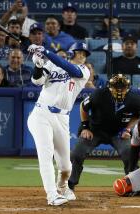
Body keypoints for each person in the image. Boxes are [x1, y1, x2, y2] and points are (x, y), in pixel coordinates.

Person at [27, 42, 91, 206]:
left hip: (62, 118)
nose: (82, 55)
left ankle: (62, 187)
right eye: (79, 52)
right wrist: (38, 65)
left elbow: (71, 69)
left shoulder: (84, 71)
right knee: (46, 155)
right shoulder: (51, 64)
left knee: (66, 166)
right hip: (41, 114)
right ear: (71, 52)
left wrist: (46, 52)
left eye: (84, 53)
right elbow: (37, 81)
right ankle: (52, 195)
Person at [68, 74, 140, 191]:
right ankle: (69, 183)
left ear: (128, 87)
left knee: (129, 153)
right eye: (116, 87)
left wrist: (128, 129)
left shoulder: (135, 99)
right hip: (95, 130)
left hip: (118, 132)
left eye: (122, 87)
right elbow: (83, 106)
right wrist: (85, 127)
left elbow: (139, 116)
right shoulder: (99, 94)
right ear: (109, 87)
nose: (119, 90)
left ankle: (134, 184)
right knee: (77, 153)